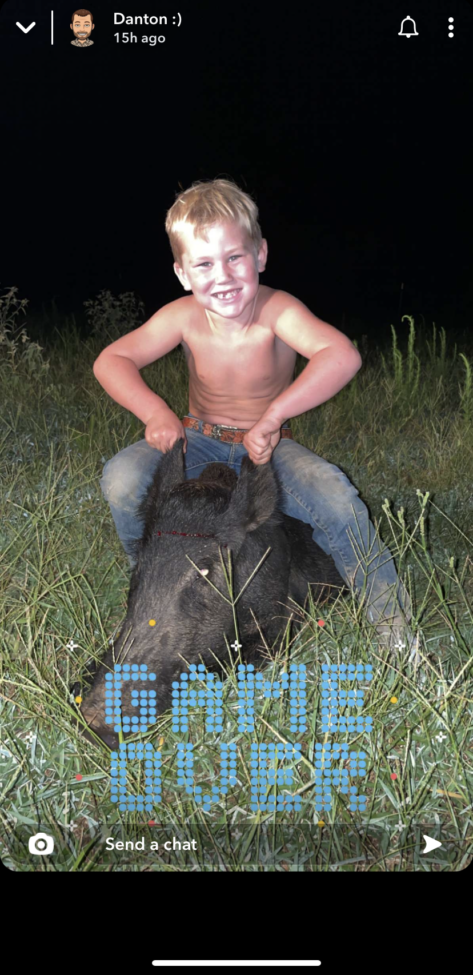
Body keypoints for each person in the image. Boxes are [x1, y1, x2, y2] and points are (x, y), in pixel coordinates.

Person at [93, 178, 417, 656]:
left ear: (260, 255)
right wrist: (155, 412)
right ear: (182, 273)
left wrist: (274, 417)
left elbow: (341, 355)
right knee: (122, 477)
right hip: (195, 440)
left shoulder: (277, 310)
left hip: (267, 446)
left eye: (234, 257)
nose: (222, 276)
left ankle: (392, 624)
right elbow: (111, 360)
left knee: (336, 497)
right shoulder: (181, 315)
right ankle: (149, 584)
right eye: (204, 264)